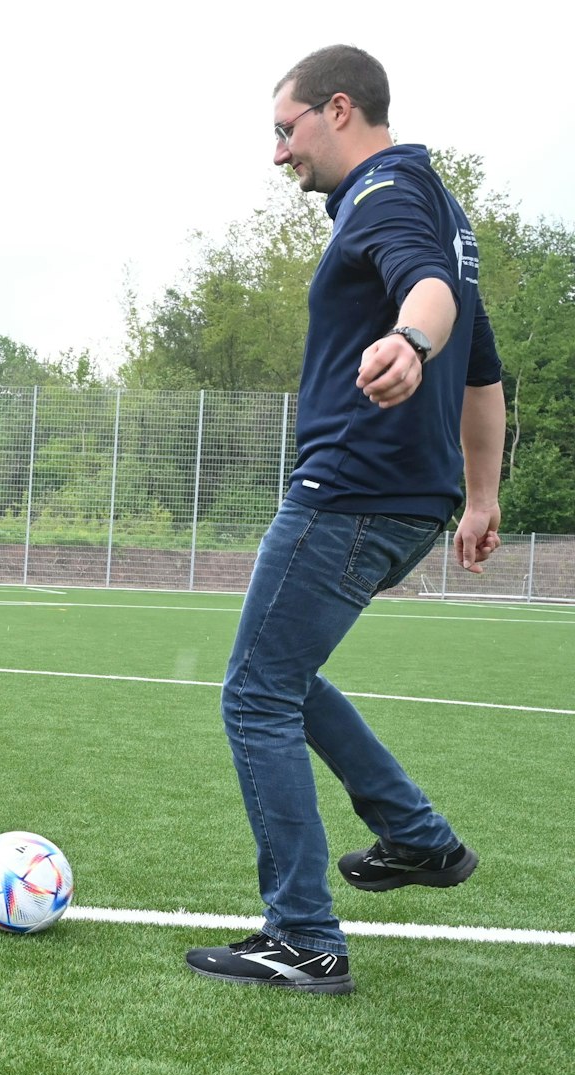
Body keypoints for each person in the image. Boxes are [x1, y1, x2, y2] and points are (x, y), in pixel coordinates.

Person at [186, 45, 505, 994]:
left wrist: (408, 338)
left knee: (254, 693)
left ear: (337, 108)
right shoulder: (445, 211)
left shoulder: (384, 196)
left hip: (352, 488)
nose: (278, 152)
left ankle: (304, 937)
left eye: (285, 130)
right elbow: (483, 374)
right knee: (284, 675)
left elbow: (429, 296)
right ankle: (418, 838)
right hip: (411, 500)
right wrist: (481, 497)